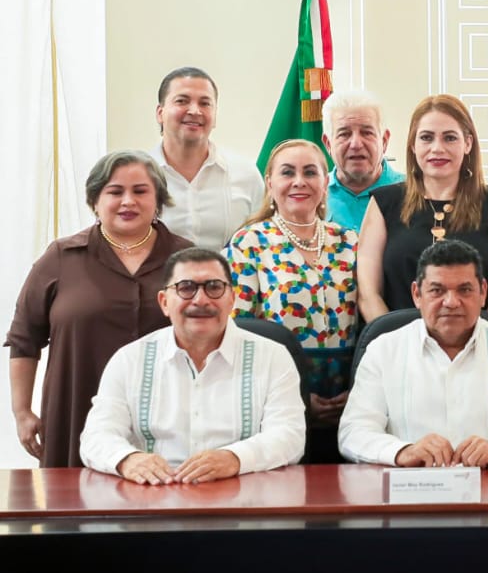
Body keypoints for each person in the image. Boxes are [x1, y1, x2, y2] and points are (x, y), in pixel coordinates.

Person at [6, 151, 193, 467]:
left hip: (170, 418)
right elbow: (24, 339)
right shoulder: (61, 257)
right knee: (73, 509)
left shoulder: (187, 258)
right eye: (115, 191)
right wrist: (22, 411)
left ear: (158, 200)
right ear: (95, 201)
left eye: (140, 191)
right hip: (76, 411)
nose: (128, 201)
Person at [80, 248, 306, 483]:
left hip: (244, 500)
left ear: (232, 300)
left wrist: (235, 458)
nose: (200, 300)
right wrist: (128, 459)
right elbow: (96, 436)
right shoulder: (129, 359)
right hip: (153, 500)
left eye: (214, 287)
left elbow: (289, 436)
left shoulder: (272, 356)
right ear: (164, 302)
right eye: (186, 288)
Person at [339, 240, 488, 467]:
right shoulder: (384, 351)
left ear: (483, 293)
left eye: (465, 290)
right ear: (417, 294)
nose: (451, 302)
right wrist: (402, 452)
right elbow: (354, 432)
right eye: (437, 290)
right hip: (409, 495)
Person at [224, 139, 358, 462]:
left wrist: (358, 394)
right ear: (270, 184)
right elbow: (237, 329)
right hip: (278, 393)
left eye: (310, 172)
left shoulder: (349, 240)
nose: (299, 181)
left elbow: (366, 319)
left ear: (325, 183)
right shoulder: (250, 241)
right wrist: (296, 396)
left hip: (350, 397)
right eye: (288, 173)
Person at [358, 95, 488, 323]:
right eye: (426, 138)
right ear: (413, 145)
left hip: (475, 346)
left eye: (450, 138)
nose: (437, 148)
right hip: (398, 348)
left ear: (468, 143)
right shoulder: (384, 203)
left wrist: (477, 345)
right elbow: (368, 294)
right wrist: (396, 344)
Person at [150, 66, 264, 250]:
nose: (195, 110)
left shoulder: (246, 174)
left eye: (205, 103)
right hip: (157, 279)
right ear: (160, 113)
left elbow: (262, 245)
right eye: (182, 101)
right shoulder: (139, 174)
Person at [321, 89, 405, 231]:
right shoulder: (313, 196)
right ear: (328, 144)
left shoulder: (413, 194)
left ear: (384, 141)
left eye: (367, 133)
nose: (356, 144)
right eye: (344, 134)